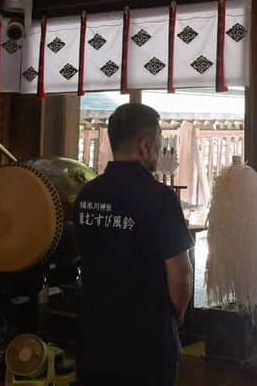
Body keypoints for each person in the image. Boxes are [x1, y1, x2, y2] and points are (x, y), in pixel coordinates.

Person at [75, 103, 193, 386]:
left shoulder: (87, 194)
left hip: (94, 335)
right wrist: (173, 320)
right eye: (158, 144)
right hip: (146, 339)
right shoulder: (161, 199)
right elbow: (181, 278)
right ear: (145, 145)